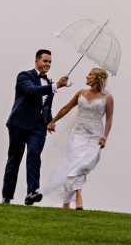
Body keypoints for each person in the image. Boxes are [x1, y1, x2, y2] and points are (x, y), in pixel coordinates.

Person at [2, 49, 70, 205]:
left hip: (38, 127)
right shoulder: (24, 76)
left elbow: (46, 107)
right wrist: (56, 85)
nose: (48, 64)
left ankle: (32, 192)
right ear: (36, 61)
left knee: (34, 155)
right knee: (15, 158)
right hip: (19, 124)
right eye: (45, 61)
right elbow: (31, 91)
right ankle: (7, 196)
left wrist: (51, 121)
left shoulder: (49, 83)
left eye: (50, 62)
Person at [44, 68, 115, 210]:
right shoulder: (81, 93)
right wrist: (53, 121)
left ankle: (66, 202)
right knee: (75, 164)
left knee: (82, 166)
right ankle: (78, 195)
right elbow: (66, 108)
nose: (87, 76)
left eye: (90, 74)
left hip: (94, 136)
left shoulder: (107, 98)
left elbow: (109, 120)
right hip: (78, 133)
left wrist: (104, 137)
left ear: (97, 79)